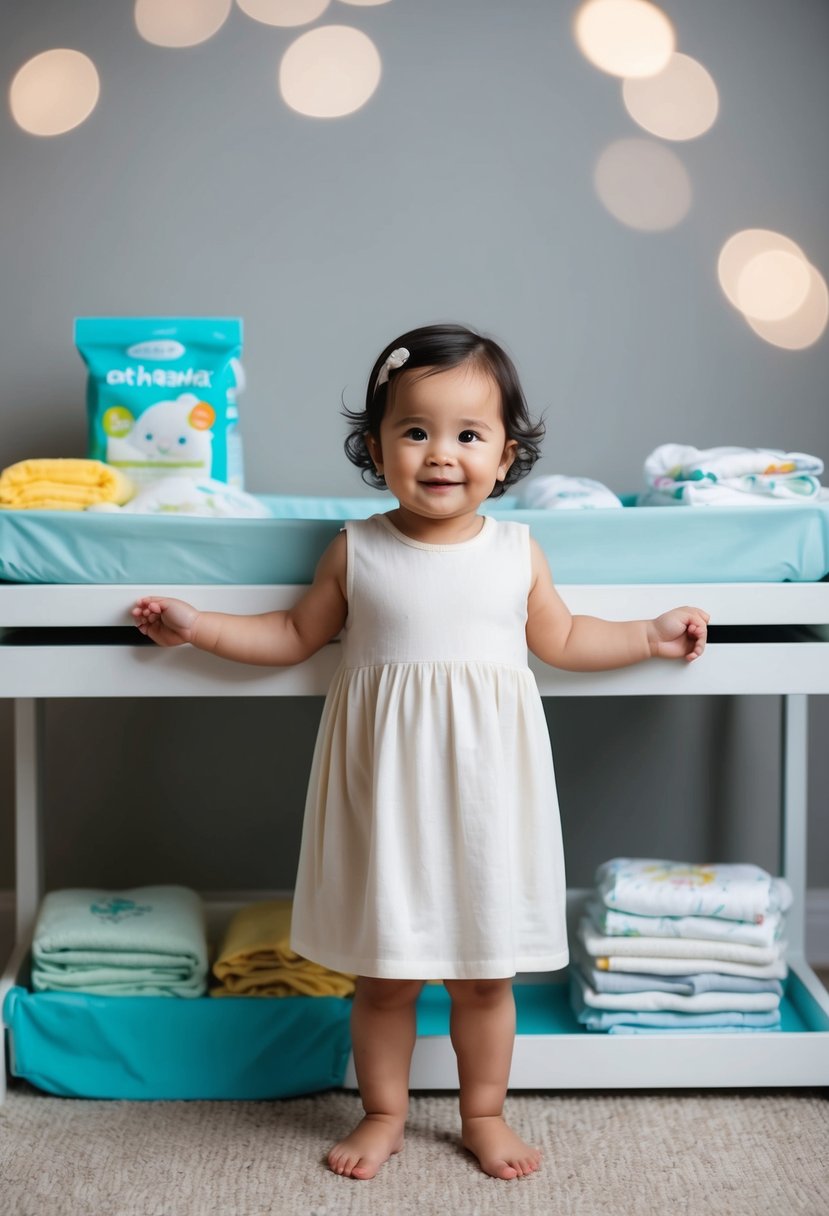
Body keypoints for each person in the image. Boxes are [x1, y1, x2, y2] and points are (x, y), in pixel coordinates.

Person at [132, 323, 708, 1182]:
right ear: (376, 447)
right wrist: (197, 628)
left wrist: (651, 637)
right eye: (415, 431)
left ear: (506, 456)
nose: (441, 455)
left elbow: (565, 637)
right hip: (388, 801)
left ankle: (482, 1113)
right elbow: (290, 634)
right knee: (384, 977)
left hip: (488, 801)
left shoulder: (515, 552)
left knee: (485, 978)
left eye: (468, 435)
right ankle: (382, 1112)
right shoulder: (357, 549)